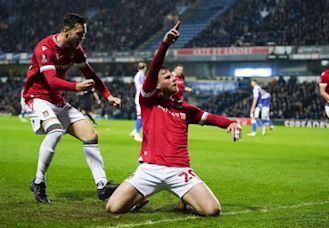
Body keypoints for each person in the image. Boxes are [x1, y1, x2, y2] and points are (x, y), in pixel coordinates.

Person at [106, 22, 242, 215]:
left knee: (212, 210)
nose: (173, 79)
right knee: (113, 208)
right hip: (149, 169)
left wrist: (231, 123)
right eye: (168, 77)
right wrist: (165, 45)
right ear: (158, 85)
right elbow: (152, 72)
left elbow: (209, 117)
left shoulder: (185, 109)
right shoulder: (148, 102)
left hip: (179, 170)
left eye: (173, 76)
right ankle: (140, 198)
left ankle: (183, 199)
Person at [22, 13, 121, 203]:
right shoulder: (45, 48)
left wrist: (108, 96)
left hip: (57, 100)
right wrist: (76, 87)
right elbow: (51, 81)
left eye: (83, 34)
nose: (81, 38)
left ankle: (102, 186)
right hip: (36, 97)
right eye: (79, 34)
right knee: (56, 131)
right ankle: (38, 181)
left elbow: (90, 74)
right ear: (66, 31)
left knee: (91, 135)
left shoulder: (76, 50)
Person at [129, 62, 147, 142]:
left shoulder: (139, 75)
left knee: (143, 116)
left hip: (140, 96)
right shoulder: (141, 75)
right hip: (141, 97)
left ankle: (134, 131)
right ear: (145, 68)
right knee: (141, 116)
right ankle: (136, 133)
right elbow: (143, 86)